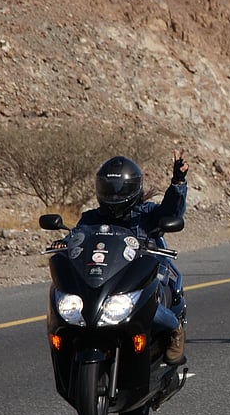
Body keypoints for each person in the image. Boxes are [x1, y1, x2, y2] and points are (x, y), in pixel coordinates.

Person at [77, 151, 190, 365]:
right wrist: (64, 243)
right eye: (109, 189)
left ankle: (174, 328)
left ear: (134, 189)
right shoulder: (91, 218)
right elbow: (77, 237)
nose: (114, 195)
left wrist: (178, 182)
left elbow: (172, 212)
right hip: (108, 276)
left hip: (142, 274)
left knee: (150, 299)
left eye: (121, 189)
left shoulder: (147, 214)